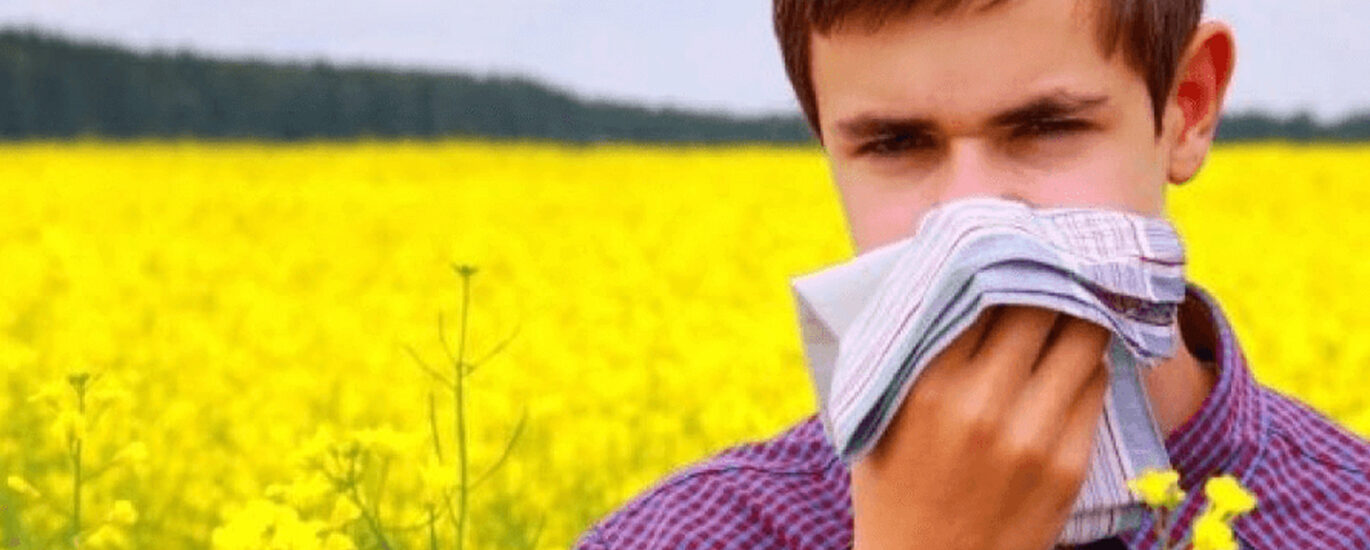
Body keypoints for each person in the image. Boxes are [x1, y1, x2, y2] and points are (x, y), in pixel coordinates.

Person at [573, 0, 1370, 548]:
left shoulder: (1349, 518)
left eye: (1047, 128)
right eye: (895, 144)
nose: (969, 221)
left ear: (1185, 109)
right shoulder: (686, 535)